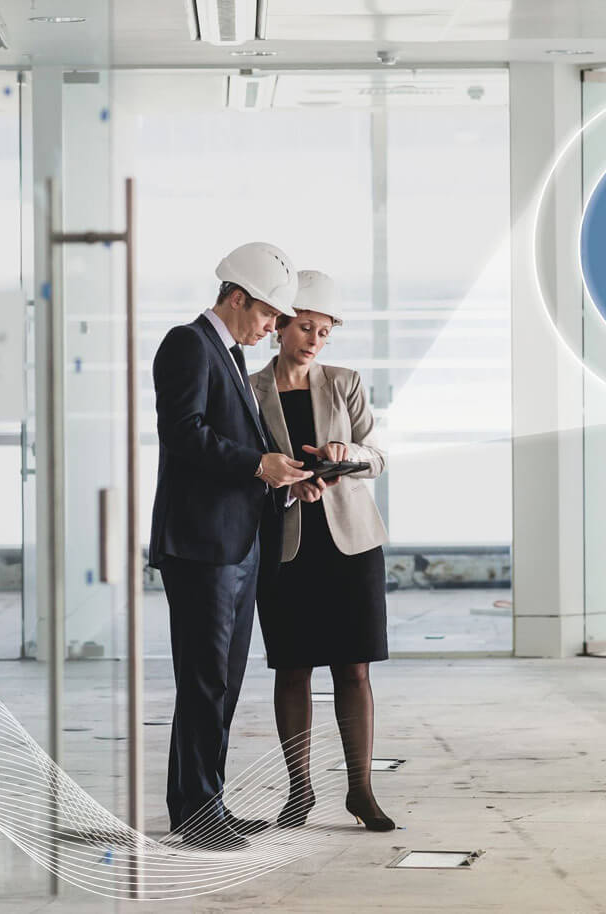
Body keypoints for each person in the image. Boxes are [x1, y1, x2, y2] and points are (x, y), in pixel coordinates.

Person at [149, 242, 309, 850]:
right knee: (205, 681)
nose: (274, 328)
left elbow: (235, 439)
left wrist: (287, 476)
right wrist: (256, 465)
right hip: (202, 547)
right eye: (269, 314)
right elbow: (183, 435)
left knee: (223, 681)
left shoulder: (229, 353)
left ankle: (203, 804)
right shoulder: (187, 344)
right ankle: (196, 815)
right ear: (236, 298)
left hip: (236, 545)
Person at [249, 270, 395, 832]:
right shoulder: (250, 389)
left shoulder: (344, 382)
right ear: (279, 326)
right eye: (306, 327)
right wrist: (284, 484)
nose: (315, 339)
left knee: (353, 670)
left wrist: (346, 451)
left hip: (350, 544)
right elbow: (248, 469)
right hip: (287, 547)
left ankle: (360, 790)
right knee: (292, 668)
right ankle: (299, 791)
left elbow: (377, 456)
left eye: (324, 331)